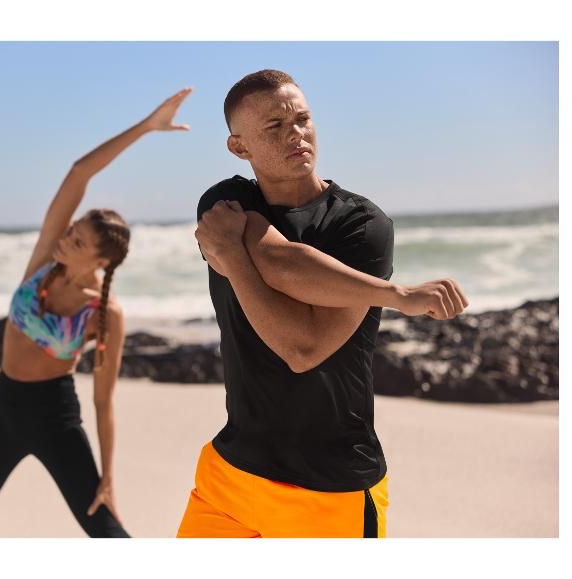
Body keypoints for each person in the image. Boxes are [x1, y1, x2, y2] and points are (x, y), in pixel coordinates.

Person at [178, 70, 468, 538]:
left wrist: (233, 256)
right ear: (239, 147)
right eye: (274, 127)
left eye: (303, 119)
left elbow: (302, 347)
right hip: (230, 477)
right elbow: (276, 258)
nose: (296, 133)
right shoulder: (225, 201)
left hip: (330, 488)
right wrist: (396, 295)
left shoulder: (362, 225)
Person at [0, 88, 193, 538]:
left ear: (100, 262)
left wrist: (109, 474)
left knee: (105, 528)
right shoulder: (43, 263)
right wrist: (146, 127)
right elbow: (80, 172)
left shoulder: (105, 314)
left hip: (55, 417)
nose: (65, 240)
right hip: (3, 408)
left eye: (77, 241)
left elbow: (103, 399)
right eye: (71, 231)